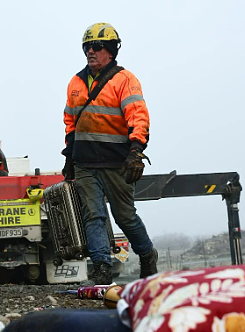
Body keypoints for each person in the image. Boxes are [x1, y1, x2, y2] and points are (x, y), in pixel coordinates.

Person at [61, 23, 158, 285]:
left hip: (117, 161)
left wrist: (136, 151)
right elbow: (70, 122)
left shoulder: (125, 80)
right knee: (93, 215)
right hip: (85, 162)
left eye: (97, 47)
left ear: (111, 50)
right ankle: (102, 268)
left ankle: (148, 255)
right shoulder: (76, 82)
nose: (90, 51)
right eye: (87, 47)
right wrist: (69, 157)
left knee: (124, 216)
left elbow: (138, 116)